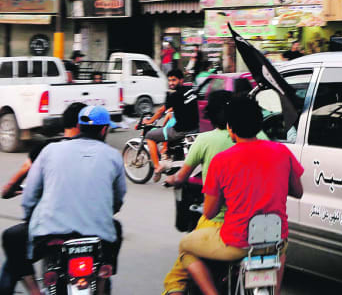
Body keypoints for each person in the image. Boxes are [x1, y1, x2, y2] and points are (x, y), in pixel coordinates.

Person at [173, 96, 303, 295]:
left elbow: (209, 212)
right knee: (279, 250)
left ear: (230, 127)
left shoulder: (221, 161)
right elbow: (298, 191)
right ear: (259, 125)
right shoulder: (282, 152)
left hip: (237, 242)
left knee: (185, 246)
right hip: (275, 239)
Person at [18, 106, 125, 295]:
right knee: (115, 232)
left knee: (13, 238)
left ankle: (34, 291)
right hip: (98, 236)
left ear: (78, 125)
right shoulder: (113, 155)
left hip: (51, 235)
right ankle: (101, 281)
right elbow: (118, 199)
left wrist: (28, 217)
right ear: (104, 130)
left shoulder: (50, 150)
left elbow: (30, 196)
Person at [0, 102, 86, 295]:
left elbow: (21, 188)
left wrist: (11, 191)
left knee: (13, 244)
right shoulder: (99, 152)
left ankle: (34, 291)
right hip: (89, 229)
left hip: (50, 229)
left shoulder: (46, 148)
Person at [162, 91, 236, 295]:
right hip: (259, 225)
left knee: (177, 275)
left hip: (219, 224)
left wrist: (171, 179)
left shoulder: (206, 141)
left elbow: (181, 177)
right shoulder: (263, 141)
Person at [141, 69, 199, 182]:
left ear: (181, 80)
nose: (171, 83)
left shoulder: (174, 95)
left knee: (150, 135)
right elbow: (183, 105)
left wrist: (150, 121)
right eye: (170, 80)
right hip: (195, 128)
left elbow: (161, 111)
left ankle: (157, 167)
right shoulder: (191, 90)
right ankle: (168, 153)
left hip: (180, 131)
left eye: (174, 80)